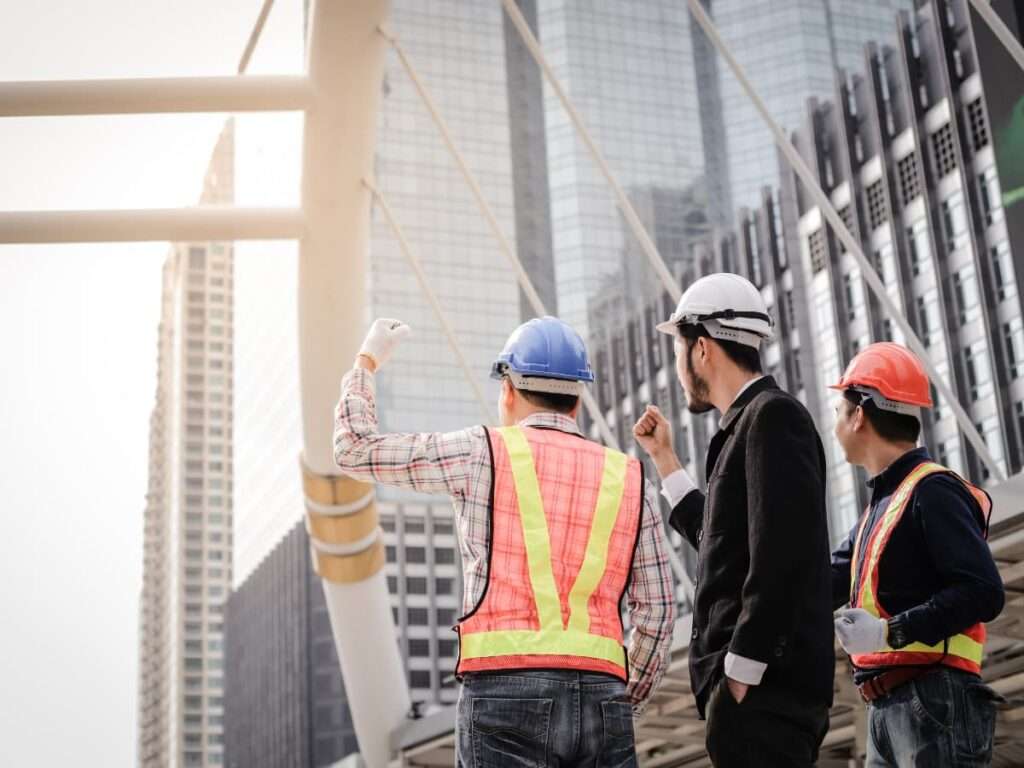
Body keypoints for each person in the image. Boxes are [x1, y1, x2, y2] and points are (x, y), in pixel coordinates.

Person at [334, 316, 676, 768]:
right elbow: (658, 610)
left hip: (503, 693)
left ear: (508, 390)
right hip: (602, 695)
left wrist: (366, 362)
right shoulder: (630, 478)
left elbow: (354, 449)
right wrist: (624, 699)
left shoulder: (481, 452)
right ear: (577, 400)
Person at [632, 272, 834, 767]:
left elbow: (781, 554)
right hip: (751, 697)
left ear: (701, 348)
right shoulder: (748, 425)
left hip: (761, 695)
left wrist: (741, 671)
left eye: (678, 350)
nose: (678, 368)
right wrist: (665, 460)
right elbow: (721, 542)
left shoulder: (773, 417)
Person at [829, 342, 1005, 766]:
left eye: (838, 410)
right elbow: (818, 583)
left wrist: (889, 633)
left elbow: (983, 592)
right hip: (887, 709)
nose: (834, 424)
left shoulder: (933, 490)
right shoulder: (877, 512)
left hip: (934, 701)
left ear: (859, 415)